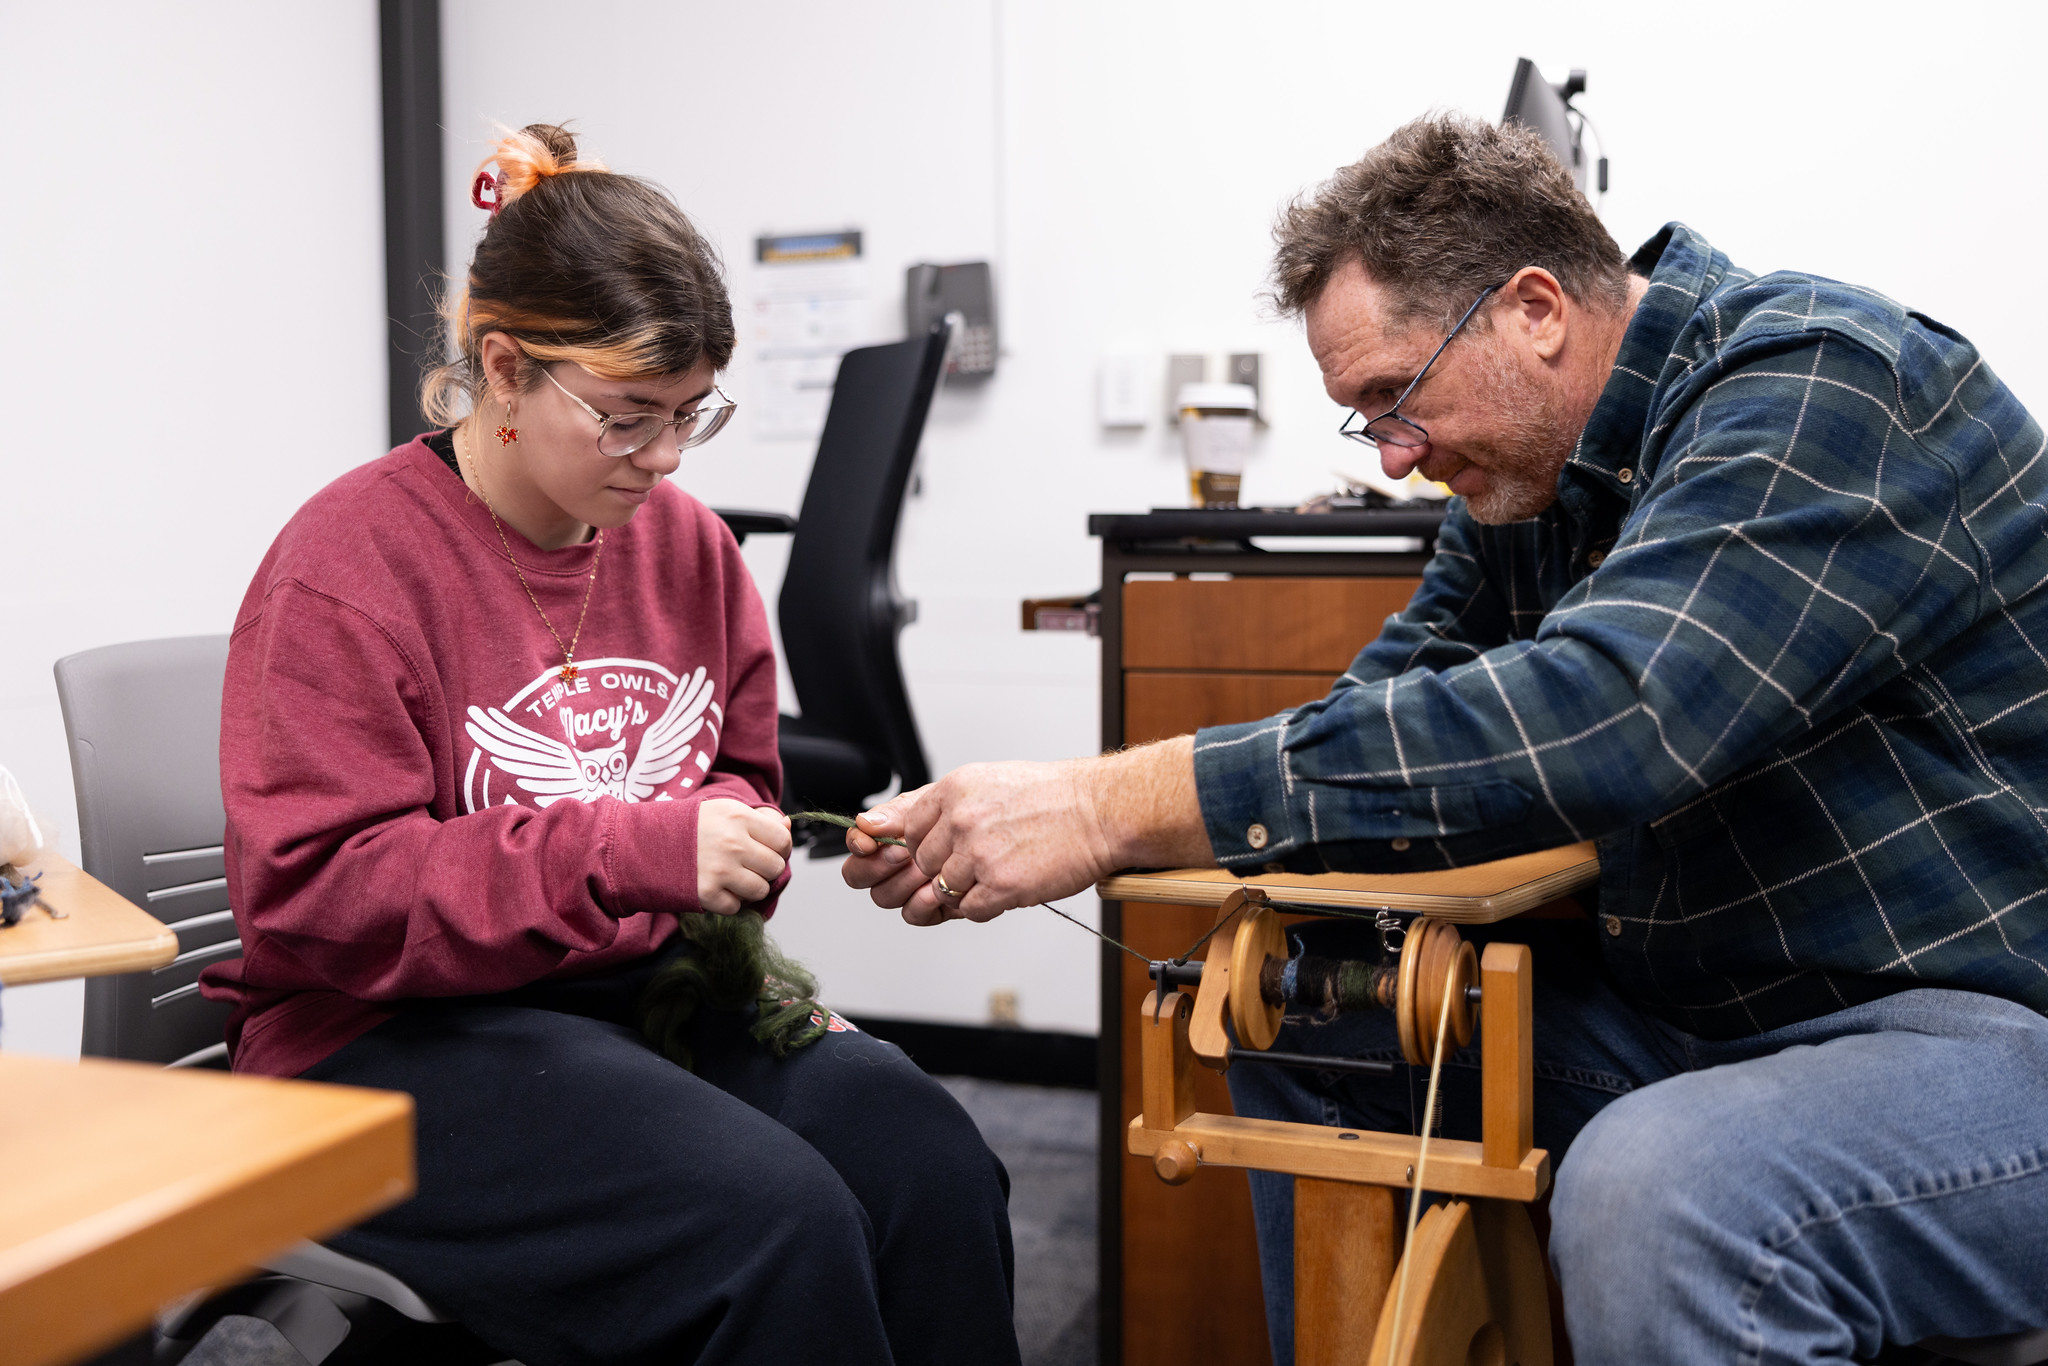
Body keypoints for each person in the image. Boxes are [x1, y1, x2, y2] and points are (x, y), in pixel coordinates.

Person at [846, 114, 2048, 1365]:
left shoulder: (1826, 383)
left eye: (1393, 397)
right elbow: (1394, 704)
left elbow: (1611, 714)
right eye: (1365, 420)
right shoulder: (1530, 476)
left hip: (1984, 1028)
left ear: (1533, 309)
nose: (1396, 455)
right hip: (1707, 1015)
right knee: (1289, 1012)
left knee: (1665, 1189)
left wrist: (1114, 803)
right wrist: (1022, 827)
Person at [200, 124, 1020, 1366]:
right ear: (505, 370)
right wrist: (632, 852)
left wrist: (745, 845)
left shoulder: (686, 548)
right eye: (628, 416)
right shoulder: (347, 564)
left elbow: (732, 773)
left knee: (927, 1157)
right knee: (773, 1225)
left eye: (695, 413)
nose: (670, 458)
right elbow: (316, 897)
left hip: (617, 1005)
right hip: (372, 1042)